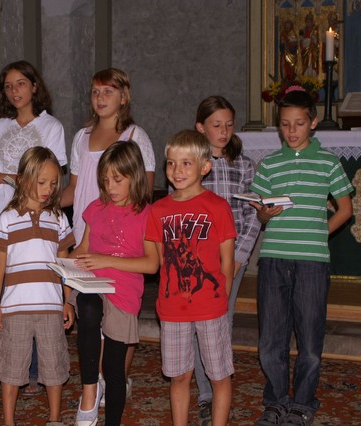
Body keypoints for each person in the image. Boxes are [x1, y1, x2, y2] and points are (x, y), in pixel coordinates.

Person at [251, 89, 353, 426]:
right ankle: (276, 400)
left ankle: (304, 403)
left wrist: (319, 233)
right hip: (273, 259)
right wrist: (265, 214)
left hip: (312, 261)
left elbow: (345, 209)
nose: (291, 130)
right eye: (285, 124)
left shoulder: (328, 162)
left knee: (309, 339)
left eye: (298, 123)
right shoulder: (269, 164)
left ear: (312, 123)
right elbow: (260, 213)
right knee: (271, 339)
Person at [61, 67, 156, 402]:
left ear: (123, 97)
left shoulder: (135, 136)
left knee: (119, 320)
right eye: (95, 92)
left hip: (121, 242)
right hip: (88, 231)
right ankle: (95, 382)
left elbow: (143, 192)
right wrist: (40, 203)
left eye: (108, 92)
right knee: (90, 315)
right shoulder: (81, 136)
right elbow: (73, 189)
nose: (100, 98)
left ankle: (116, 378)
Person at [0, 60, 67, 397]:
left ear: (34, 86)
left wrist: (10, 177)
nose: (14, 91)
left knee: (37, 290)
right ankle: (6, 368)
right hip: (2, 219)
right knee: (5, 291)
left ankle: (36, 370)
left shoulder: (51, 126)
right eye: (8, 86)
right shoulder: (0, 127)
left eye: (20, 83)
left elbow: (49, 177)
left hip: (37, 219)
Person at [145, 130, 237, 426]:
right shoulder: (158, 210)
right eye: (172, 163)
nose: (177, 171)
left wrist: (222, 299)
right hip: (173, 309)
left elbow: (227, 261)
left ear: (204, 167)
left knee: (219, 375)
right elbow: (160, 262)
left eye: (186, 163)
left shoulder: (218, 207)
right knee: (179, 376)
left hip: (210, 307)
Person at [70, 141, 159, 426]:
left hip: (123, 292)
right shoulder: (96, 208)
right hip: (92, 285)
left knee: (113, 366)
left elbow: (151, 264)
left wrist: (105, 260)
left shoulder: (146, 214)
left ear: (134, 176)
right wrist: (61, 265)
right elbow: (82, 250)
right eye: (106, 180)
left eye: (117, 180)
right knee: (88, 307)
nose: (110, 187)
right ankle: (89, 390)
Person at [0, 146, 75, 426]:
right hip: (15, 307)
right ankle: (9, 421)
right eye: (42, 182)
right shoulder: (7, 219)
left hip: (50, 306)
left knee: (53, 364)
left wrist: (68, 300)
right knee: (11, 367)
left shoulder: (58, 218)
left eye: (54, 183)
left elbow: (64, 262)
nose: (49, 189)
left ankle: (54, 418)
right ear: (24, 179)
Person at [192, 96, 261, 425]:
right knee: (197, 323)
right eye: (216, 125)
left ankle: (219, 389)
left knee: (221, 323)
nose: (223, 131)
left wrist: (240, 256)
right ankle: (206, 395)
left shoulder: (243, 164)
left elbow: (252, 214)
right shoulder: (192, 163)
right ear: (200, 127)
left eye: (229, 125)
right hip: (197, 258)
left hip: (231, 258)